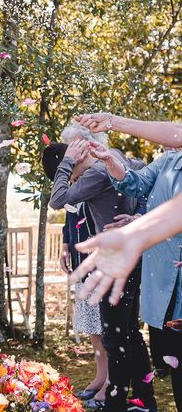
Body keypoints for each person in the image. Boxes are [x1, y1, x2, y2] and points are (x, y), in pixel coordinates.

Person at [48, 122, 155, 412]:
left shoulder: (95, 172)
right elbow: (145, 174)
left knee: (115, 336)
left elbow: (57, 200)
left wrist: (67, 162)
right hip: (130, 255)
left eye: (71, 151)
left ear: (81, 148)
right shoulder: (117, 157)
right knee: (129, 332)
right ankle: (145, 400)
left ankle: (116, 403)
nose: (69, 165)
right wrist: (139, 214)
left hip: (114, 259)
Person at [82, 136, 182, 408]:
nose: (167, 146)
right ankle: (142, 398)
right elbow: (136, 186)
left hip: (161, 267)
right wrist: (138, 219)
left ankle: (126, 397)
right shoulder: (163, 163)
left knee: (121, 335)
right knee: (165, 352)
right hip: (160, 270)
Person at [41, 142, 108, 404]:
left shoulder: (93, 177)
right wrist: (65, 245)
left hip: (101, 262)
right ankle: (100, 375)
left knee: (106, 327)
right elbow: (70, 218)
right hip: (82, 261)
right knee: (92, 326)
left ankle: (113, 381)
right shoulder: (72, 184)